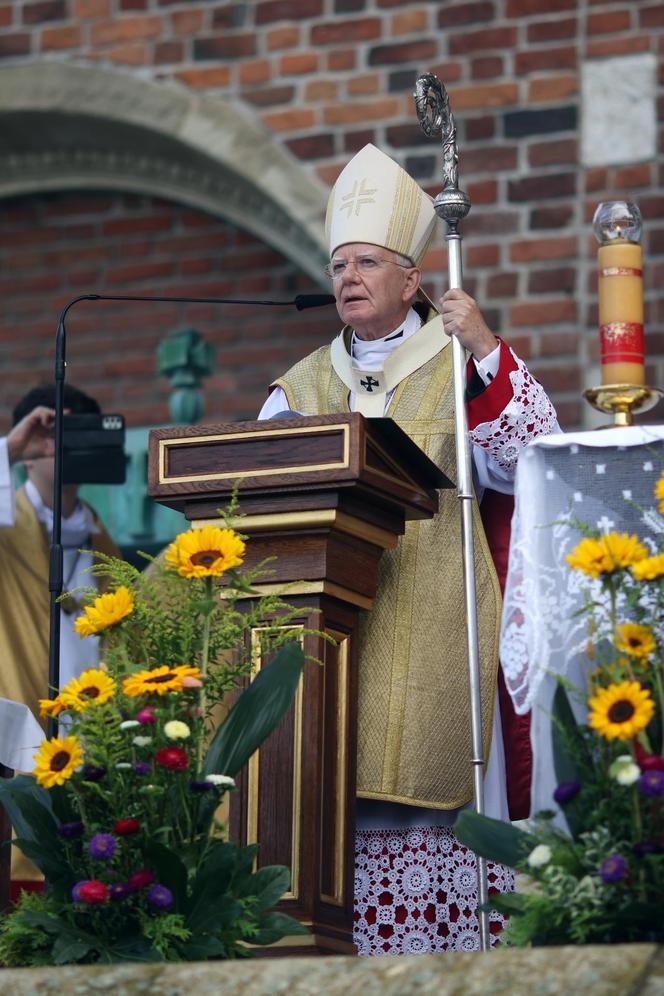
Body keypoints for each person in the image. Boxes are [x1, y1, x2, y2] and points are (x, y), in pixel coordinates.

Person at [258, 144, 559, 955]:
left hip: (440, 618)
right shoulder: (298, 388)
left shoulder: (460, 363)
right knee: (327, 815)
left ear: (412, 278)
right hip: (333, 638)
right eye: (337, 263)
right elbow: (250, 498)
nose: (347, 276)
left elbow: (537, 460)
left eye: (366, 261)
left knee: (435, 808)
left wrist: (490, 349)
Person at [0, 384, 120, 891]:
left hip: (95, 749)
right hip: (19, 745)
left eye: (79, 432)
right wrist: (9, 448)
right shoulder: (4, 532)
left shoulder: (103, 542)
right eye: (55, 432)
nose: (65, 445)